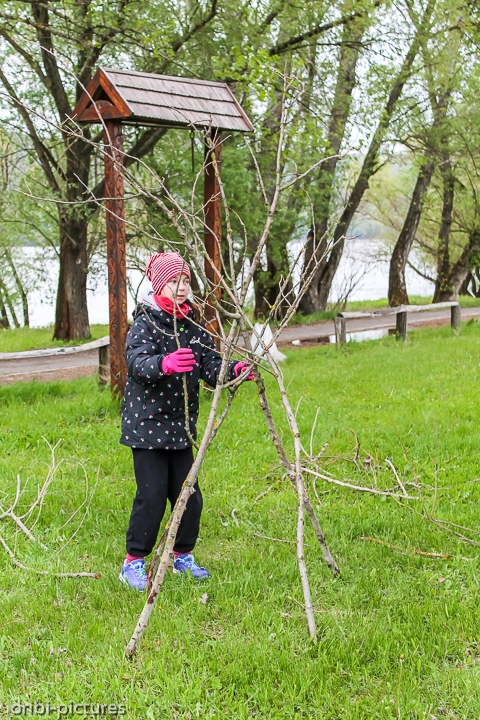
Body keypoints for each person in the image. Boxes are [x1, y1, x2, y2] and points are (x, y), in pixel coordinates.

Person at [119, 252, 253, 591]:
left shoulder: (192, 324)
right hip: (147, 426)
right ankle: (133, 563)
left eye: (186, 281)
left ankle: (182, 556)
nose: (181, 288)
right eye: (174, 281)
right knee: (151, 496)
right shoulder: (145, 321)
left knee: (189, 497)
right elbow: (136, 361)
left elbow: (209, 363)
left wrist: (232, 370)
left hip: (180, 428)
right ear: (159, 284)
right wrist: (164, 363)